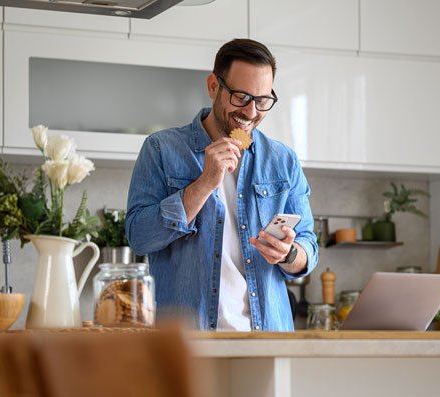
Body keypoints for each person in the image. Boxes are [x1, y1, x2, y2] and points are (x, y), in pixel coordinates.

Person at [125, 38, 318, 331]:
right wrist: (204, 183)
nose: (251, 113)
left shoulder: (283, 160)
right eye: (241, 97)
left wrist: (289, 254)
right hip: (188, 345)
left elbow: (308, 246)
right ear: (214, 86)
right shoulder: (161, 149)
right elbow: (139, 236)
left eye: (263, 100)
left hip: (267, 340)